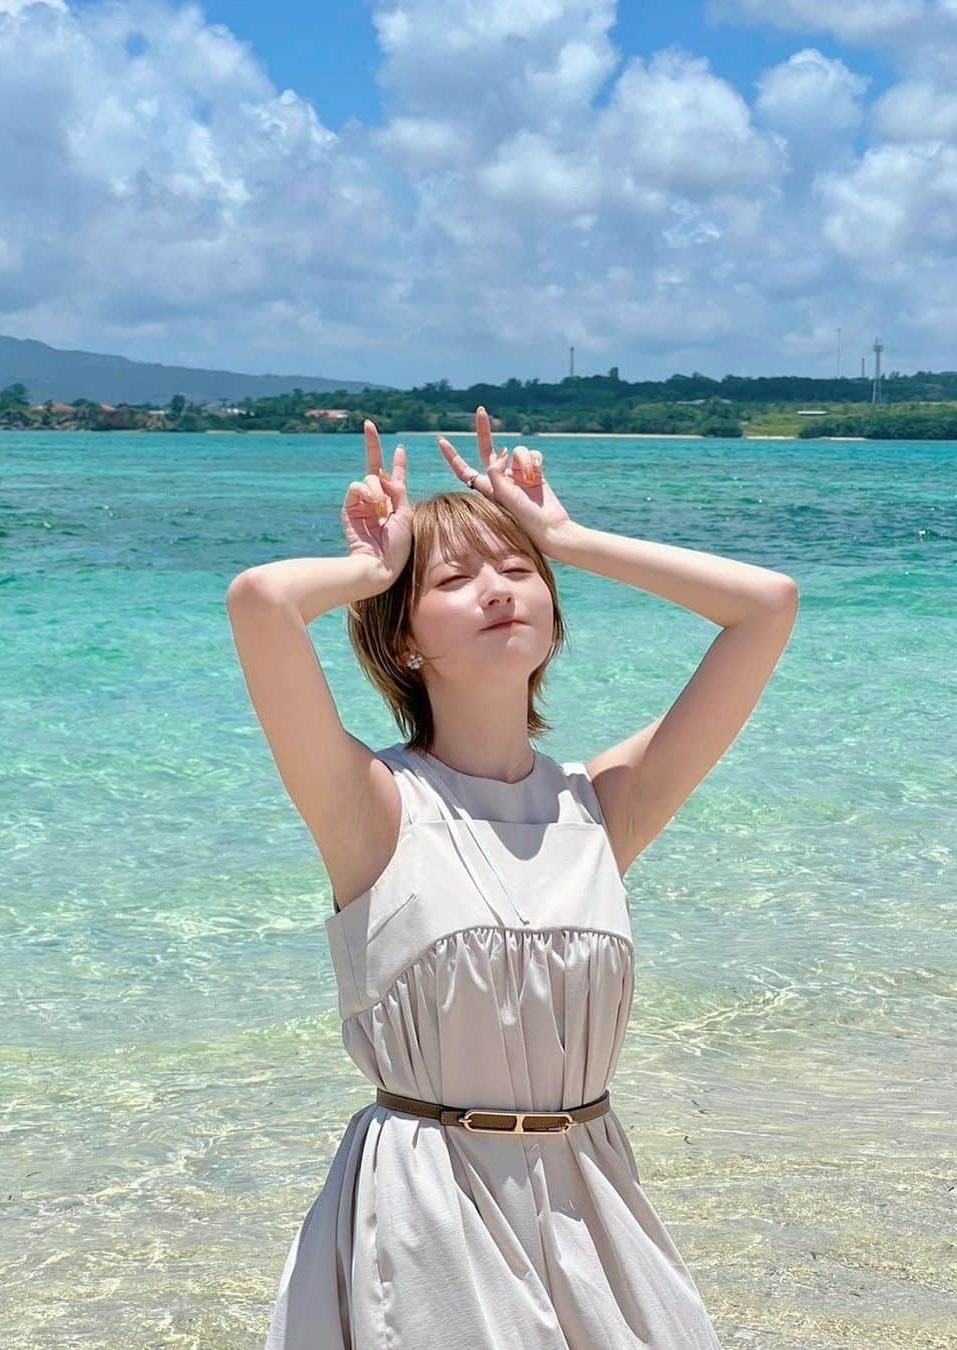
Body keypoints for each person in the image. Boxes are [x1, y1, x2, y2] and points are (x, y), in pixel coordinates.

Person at [226, 407, 798, 1348]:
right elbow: (261, 602)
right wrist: (373, 566)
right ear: (404, 640)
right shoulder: (372, 806)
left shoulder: (603, 806)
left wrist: (567, 536)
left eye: (519, 571)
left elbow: (766, 604)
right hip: (427, 1208)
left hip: (591, 1195)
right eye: (454, 578)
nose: (497, 589)